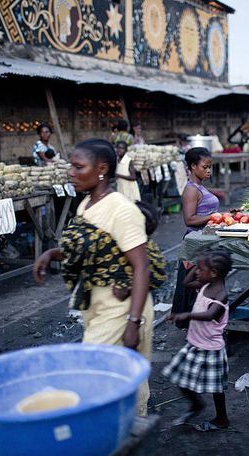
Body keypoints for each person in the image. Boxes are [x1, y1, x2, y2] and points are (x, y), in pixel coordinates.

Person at [32, 139, 154, 415]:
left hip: (122, 306)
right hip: (96, 302)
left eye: (78, 167)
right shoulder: (86, 204)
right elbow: (88, 248)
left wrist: (134, 322)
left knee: (93, 365)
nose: (70, 173)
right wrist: (52, 254)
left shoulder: (121, 209)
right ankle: (131, 429)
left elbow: (141, 267)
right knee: (124, 371)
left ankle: (129, 427)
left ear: (101, 169)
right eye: (70, 167)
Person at [163, 248, 232, 432]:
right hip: (195, 343)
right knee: (179, 377)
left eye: (201, 269)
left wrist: (185, 314)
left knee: (216, 388)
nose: (198, 272)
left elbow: (210, 315)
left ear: (215, 273)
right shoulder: (204, 285)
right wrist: (197, 263)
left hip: (211, 348)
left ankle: (221, 418)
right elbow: (186, 282)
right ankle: (196, 404)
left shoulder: (220, 295)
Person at [171, 148, 220, 315]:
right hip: (195, 244)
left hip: (204, 240)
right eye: (205, 167)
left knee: (204, 283)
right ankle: (194, 322)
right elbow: (189, 219)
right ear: (193, 166)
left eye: (210, 167)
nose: (208, 171)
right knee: (196, 284)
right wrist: (214, 216)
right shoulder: (191, 189)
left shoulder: (200, 187)